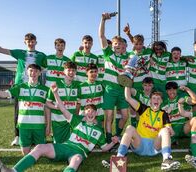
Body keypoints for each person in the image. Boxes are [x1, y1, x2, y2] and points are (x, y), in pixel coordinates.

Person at [0, 97, 119, 172]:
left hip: (79, 152)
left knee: (76, 161)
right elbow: (63, 109)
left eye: (92, 112)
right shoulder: (77, 120)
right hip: (64, 146)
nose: (90, 114)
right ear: (84, 113)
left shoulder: (99, 131)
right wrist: (56, 93)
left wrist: (113, 141)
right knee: (40, 147)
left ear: (96, 114)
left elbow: (104, 148)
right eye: (87, 111)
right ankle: (13, 171)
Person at [0, 29, 47, 146]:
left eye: (32, 41)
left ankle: (37, 135)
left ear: (36, 42)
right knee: (19, 112)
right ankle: (17, 136)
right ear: (25, 42)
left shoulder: (42, 55)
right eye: (28, 41)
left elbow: (48, 67)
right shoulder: (20, 53)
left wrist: (40, 73)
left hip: (37, 87)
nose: (30, 43)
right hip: (21, 87)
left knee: (37, 111)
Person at [102, 86, 180, 171]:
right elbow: (128, 98)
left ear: (161, 101)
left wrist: (169, 128)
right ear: (150, 101)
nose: (156, 100)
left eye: (158, 98)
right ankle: (118, 159)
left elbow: (172, 133)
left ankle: (166, 160)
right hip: (139, 144)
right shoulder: (143, 109)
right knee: (130, 128)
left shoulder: (163, 114)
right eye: (154, 98)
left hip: (154, 146)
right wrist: (127, 84)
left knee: (164, 130)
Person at [0, 64, 49, 155]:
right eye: (31, 71)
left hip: (39, 126)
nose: (33, 73)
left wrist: (48, 125)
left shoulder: (46, 90)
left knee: (41, 152)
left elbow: (48, 108)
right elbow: (4, 94)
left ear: (40, 73)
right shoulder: (20, 87)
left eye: (36, 71)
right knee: (25, 153)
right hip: (24, 125)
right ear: (27, 72)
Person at [98, 12, 129, 142]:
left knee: (125, 116)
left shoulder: (127, 58)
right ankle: (109, 137)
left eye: (120, 45)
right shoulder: (108, 54)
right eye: (115, 44)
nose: (117, 46)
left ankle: (118, 135)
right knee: (109, 115)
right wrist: (103, 20)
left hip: (122, 90)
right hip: (109, 89)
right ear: (112, 45)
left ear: (123, 47)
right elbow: (101, 36)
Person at [46, 61, 79, 143]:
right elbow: (47, 103)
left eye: (73, 70)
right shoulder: (56, 84)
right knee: (58, 145)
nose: (71, 72)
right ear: (64, 71)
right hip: (58, 120)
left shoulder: (77, 85)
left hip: (71, 120)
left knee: (70, 145)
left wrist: (76, 117)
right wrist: (55, 107)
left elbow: (78, 103)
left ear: (76, 72)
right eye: (69, 70)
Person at [77, 63, 104, 127]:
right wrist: (77, 118)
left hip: (99, 117)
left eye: (95, 71)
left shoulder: (101, 84)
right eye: (91, 72)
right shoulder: (80, 86)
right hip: (85, 117)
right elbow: (78, 104)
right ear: (86, 73)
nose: (94, 74)